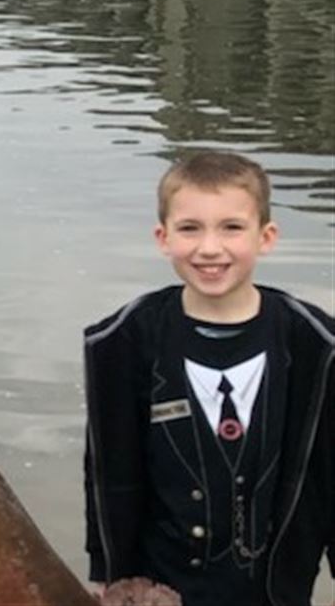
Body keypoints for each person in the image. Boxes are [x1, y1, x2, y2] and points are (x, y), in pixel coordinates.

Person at [83, 151, 334, 606]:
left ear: (266, 236)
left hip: (277, 591)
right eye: (190, 228)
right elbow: (108, 469)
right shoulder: (123, 340)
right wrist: (107, 573)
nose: (210, 248)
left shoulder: (317, 345)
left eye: (232, 227)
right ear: (163, 237)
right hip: (159, 590)